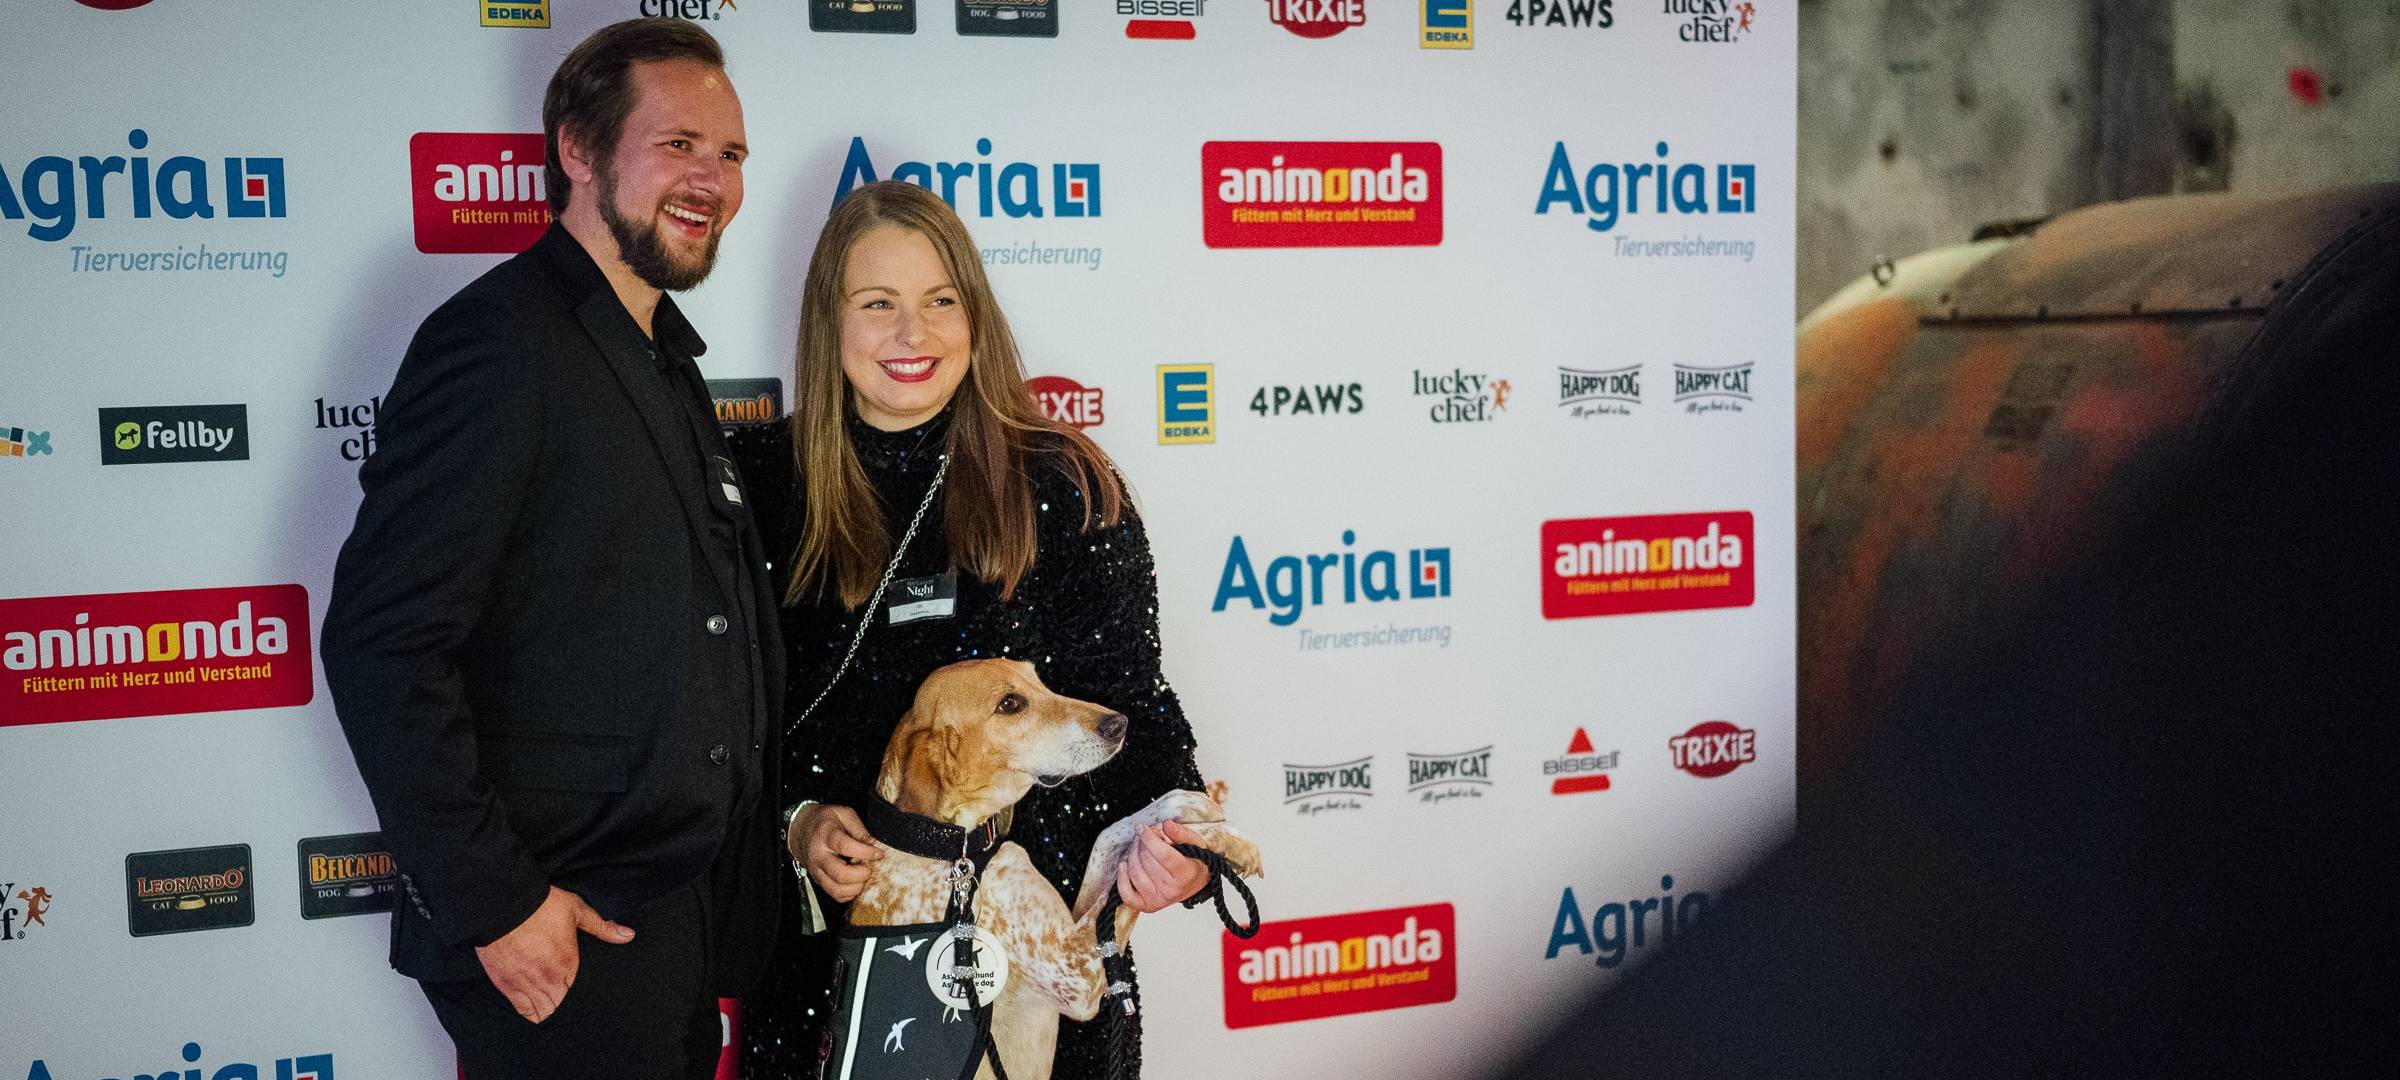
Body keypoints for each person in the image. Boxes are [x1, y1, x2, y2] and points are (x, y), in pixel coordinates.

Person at [320, 19, 784, 1079]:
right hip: (562, 929)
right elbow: (382, 646)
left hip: (671, 921)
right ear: (579, 149)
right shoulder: (495, 345)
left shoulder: (661, 355)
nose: (711, 179)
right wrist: (498, 904)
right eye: (678, 145)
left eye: (732, 153)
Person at [730, 180, 1214, 1080]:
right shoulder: (760, 486)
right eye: (879, 304)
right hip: (833, 979)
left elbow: (1129, 700)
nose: (912, 335)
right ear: (827, 321)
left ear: (975, 315)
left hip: (1039, 970)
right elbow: (720, 731)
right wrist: (794, 825)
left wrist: (1174, 842)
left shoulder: (1065, 481)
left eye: (940, 301)